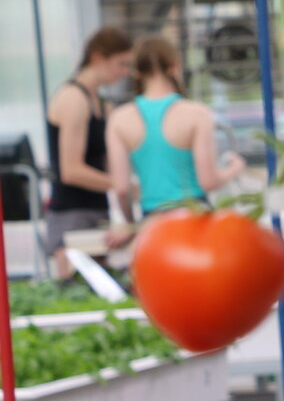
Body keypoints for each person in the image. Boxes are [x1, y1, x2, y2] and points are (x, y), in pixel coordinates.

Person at [107, 36, 245, 218]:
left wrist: (132, 226)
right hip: (195, 218)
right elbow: (209, 181)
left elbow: (122, 189)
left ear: (137, 72)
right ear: (175, 67)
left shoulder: (119, 119)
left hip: (153, 223)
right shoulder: (197, 114)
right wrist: (235, 169)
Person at [43, 27, 133, 278]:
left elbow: (110, 164)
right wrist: (121, 185)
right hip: (70, 214)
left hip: (98, 211)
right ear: (97, 58)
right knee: (75, 293)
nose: (125, 73)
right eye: (121, 64)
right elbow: (71, 171)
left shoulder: (104, 104)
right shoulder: (73, 98)